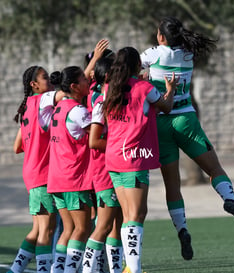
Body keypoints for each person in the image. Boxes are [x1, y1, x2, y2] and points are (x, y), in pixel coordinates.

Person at [140, 16, 234, 260]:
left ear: (160, 37)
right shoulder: (189, 54)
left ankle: (182, 229)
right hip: (186, 120)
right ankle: (229, 199)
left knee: (173, 185)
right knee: (214, 168)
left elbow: (132, 68)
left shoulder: (152, 54)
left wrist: (144, 77)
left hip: (160, 123)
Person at [101, 46, 177, 273]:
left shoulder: (109, 88)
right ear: (136, 65)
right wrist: (171, 89)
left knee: (130, 215)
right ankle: (133, 269)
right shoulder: (145, 88)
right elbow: (166, 106)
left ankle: (130, 266)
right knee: (136, 215)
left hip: (114, 157)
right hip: (134, 157)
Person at [9, 66, 65, 273]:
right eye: (44, 77)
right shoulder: (41, 100)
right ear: (34, 85)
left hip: (32, 173)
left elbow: (17, 147)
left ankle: (14, 270)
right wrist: (93, 61)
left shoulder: (27, 108)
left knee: (38, 229)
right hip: (42, 175)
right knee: (47, 231)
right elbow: (68, 91)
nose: (49, 80)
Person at [47, 66, 93, 273]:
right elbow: (98, 134)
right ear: (74, 86)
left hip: (56, 178)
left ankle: (58, 270)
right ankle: (68, 270)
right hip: (73, 178)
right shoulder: (78, 111)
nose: (88, 80)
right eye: (84, 78)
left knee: (68, 229)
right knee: (82, 229)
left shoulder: (57, 109)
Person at [82, 56, 124, 273]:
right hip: (104, 168)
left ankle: (114, 270)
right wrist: (119, 144)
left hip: (112, 166)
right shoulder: (100, 99)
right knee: (103, 226)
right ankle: (89, 269)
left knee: (116, 223)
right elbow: (95, 141)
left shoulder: (104, 95)